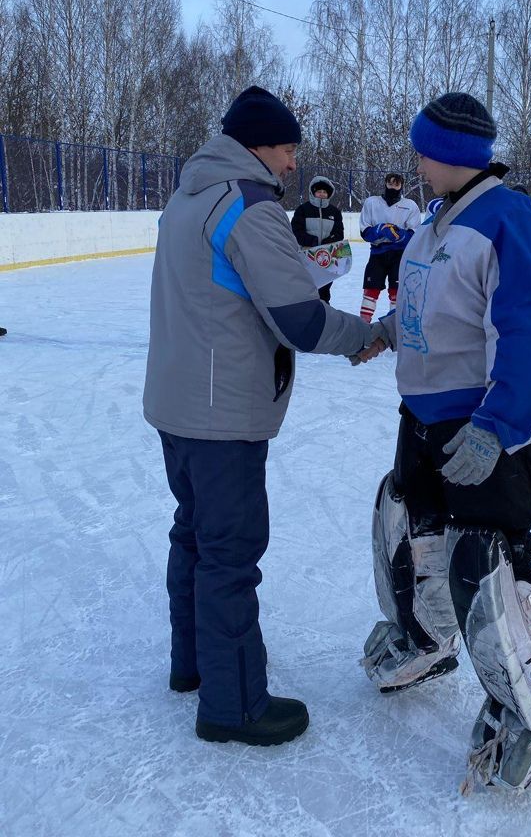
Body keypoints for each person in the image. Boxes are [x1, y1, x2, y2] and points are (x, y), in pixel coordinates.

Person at [143, 86, 382, 747]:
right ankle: (235, 703)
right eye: (285, 149)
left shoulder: (188, 196)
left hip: (176, 401)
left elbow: (227, 290)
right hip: (222, 414)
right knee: (229, 552)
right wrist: (368, 336)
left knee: (194, 535)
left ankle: (194, 665)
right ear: (256, 144)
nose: (290, 165)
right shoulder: (248, 207)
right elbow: (300, 320)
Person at [358, 92, 531, 793]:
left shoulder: (509, 217)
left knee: (487, 560)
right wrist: (389, 330)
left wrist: (499, 427)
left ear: (449, 154)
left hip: (485, 426)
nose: (415, 158)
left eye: (423, 147)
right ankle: (427, 641)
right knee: (415, 531)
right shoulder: (436, 221)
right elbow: (436, 304)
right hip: (424, 417)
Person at [358, 172, 421, 321]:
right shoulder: (371, 202)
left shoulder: (410, 205)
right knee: (370, 291)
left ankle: (394, 329)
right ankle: (363, 327)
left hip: (399, 256)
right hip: (377, 255)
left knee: (397, 293)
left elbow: (414, 234)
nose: (393, 187)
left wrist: (401, 235)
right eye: (390, 183)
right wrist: (378, 230)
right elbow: (365, 232)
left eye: (397, 184)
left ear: (401, 186)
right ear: (385, 184)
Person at [291, 175, 345, 301]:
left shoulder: (335, 212)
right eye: (319, 191)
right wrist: (312, 241)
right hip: (307, 255)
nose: (321, 194)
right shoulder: (303, 209)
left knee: (324, 291)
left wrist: (327, 243)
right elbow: (296, 231)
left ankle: (325, 315)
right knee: (306, 288)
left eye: (324, 192)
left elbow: (339, 233)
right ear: (313, 192)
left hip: (327, 257)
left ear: (329, 194)